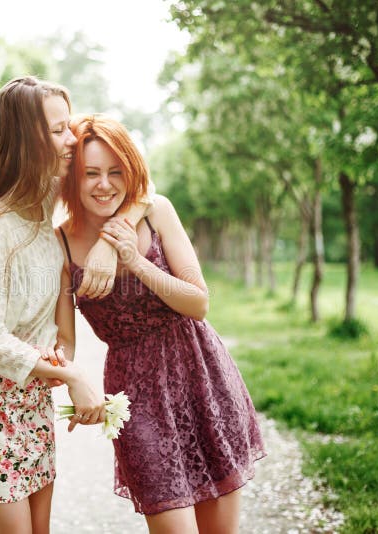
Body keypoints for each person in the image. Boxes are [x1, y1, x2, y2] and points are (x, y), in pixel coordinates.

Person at [0, 77, 149, 534]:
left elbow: (139, 188)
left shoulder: (44, 201)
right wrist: (72, 375)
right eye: (57, 131)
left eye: (68, 128)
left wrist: (111, 245)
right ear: (25, 139)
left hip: (30, 398)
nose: (71, 139)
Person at [53, 114, 266, 534]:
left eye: (116, 172)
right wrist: (69, 378)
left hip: (200, 375)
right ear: (72, 179)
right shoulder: (60, 244)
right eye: (90, 173)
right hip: (136, 396)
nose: (104, 184)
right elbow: (65, 340)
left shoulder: (156, 212)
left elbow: (198, 303)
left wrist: (131, 259)